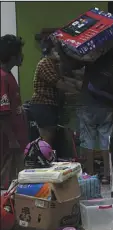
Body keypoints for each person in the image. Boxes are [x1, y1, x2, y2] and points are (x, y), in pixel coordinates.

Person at [77, 44, 113, 183]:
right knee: (106, 141)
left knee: (88, 140)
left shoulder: (92, 56)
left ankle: (90, 175)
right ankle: (107, 175)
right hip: (106, 106)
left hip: (88, 104)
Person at [29, 38, 80, 146]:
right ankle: (43, 159)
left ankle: (45, 158)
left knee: (50, 137)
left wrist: (77, 83)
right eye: (57, 50)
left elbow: (63, 79)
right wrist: (79, 92)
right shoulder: (45, 63)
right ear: (50, 50)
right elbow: (59, 83)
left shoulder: (52, 64)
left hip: (48, 106)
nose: (60, 54)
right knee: (46, 137)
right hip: (43, 105)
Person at [0, 34, 27, 189]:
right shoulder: (2, 78)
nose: (22, 56)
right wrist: (11, 139)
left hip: (16, 139)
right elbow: (2, 113)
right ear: (12, 56)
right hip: (9, 142)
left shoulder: (9, 76)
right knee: (7, 180)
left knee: (17, 179)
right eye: (19, 53)